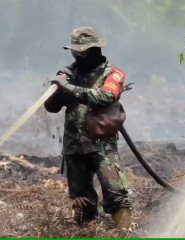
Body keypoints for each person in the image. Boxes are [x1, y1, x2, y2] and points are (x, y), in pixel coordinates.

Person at [44, 26, 131, 235]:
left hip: (102, 144)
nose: (79, 54)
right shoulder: (69, 75)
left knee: (116, 193)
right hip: (74, 145)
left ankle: (127, 233)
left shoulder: (113, 73)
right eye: (75, 50)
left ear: (95, 49)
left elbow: (105, 97)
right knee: (81, 199)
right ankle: (87, 232)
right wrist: (59, 86)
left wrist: (70, 88)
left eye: (83, 50)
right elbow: (52, 107)